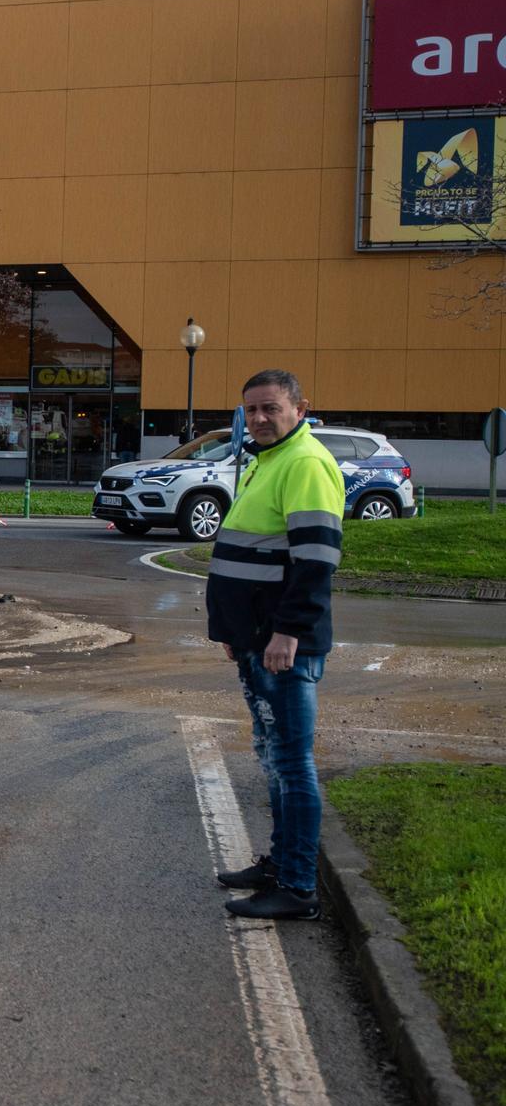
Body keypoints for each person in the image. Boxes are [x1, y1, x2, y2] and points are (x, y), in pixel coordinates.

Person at [207, 369, 345, 921]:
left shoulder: (305, 463)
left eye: (271, 409)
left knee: (290, 762)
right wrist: (233, 633)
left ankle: (296, 885)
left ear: (300, 407)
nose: (260, 419)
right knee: (272, 758)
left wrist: (287, 633)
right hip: (257, 640)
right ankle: (280, 864)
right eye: (252, 411)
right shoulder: (269, 461)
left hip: (282, 644)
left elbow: (315, 564)